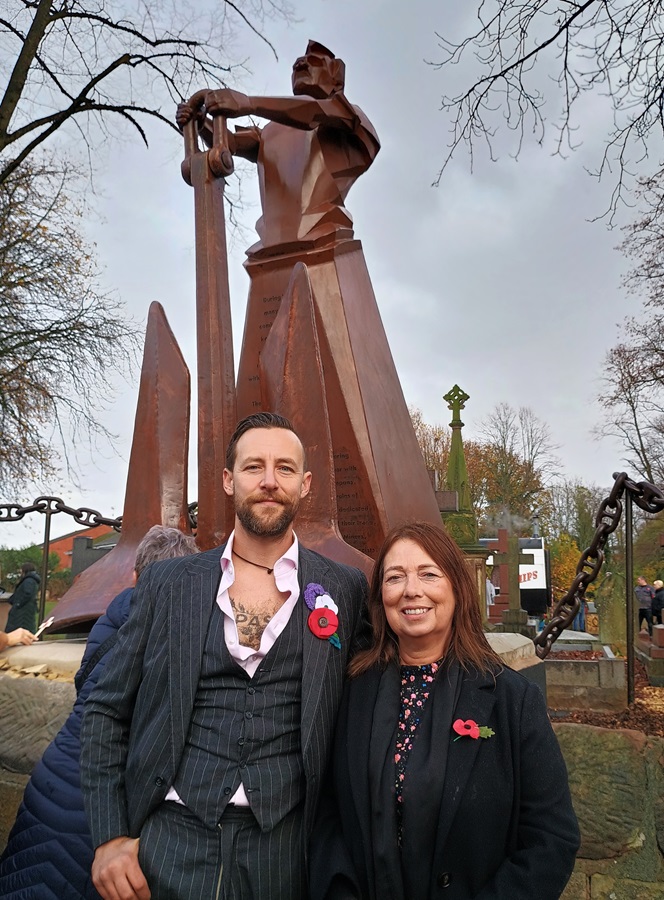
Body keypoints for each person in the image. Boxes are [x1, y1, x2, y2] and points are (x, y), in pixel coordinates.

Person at [80, 412, 369, 900]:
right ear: (229, 481)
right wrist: (109, 837)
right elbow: (106, 708)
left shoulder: (344, 588)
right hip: (168, 840)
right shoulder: (168, 585)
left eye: (285, 468)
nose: (270, 482)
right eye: (254, 467)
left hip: (285, 847)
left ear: (306, 483)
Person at [311, 521, 579, 900]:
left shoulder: (511, 701)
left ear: (456, 587)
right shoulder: (352, 693)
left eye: (428, 574)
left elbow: (552, 838)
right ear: (380, 595)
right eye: (395, 577)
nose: (411, 590)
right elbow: (329, 813)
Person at [0, 526, 199, 900]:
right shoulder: (172, 642)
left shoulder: (113, 618)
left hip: (50, 785)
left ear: (136, 576)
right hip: (99, 819)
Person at [177, 40, 380, 260]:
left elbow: (314, 113)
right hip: (269, 250)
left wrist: (250, 103)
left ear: (336, 76)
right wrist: (201, 123)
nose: (301, 64)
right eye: (298, 62)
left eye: (315, 62)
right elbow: (230, 143)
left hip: (323, 241)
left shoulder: (349, 119)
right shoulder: (270, 131)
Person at [5, 561, 39, 633]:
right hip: (27, 609)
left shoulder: (28, 580)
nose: (20, 571)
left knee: (18, 627)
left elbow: (27, 593)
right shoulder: (31, 580)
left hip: (23, 611)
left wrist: (18, 603)